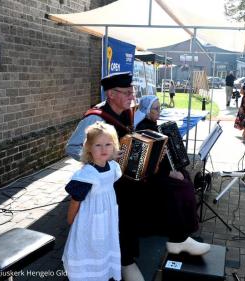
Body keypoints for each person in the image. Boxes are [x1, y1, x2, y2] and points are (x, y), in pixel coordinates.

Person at [65, 72, 207, 281]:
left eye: (133, 92)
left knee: (168, 188)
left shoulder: (126, 113)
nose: (132, 97)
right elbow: (72, 147)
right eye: (127, 93)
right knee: (130, 205)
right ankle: (125, 261)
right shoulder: (96, 117)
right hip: (105, 180)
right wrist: (102, 158)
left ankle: (178, 237)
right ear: (111, 94)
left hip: (124, 175)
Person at [133, 95, 209, 255]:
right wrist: (170, 173)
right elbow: (148, 163)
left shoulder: (152, 125)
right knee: (182, 186)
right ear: (147, 111)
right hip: (149, 177)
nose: (159, 111)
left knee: (185, 177)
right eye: (156, 109)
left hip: (157, 171)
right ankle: (179, 237)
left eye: (160, 108)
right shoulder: (144, 129)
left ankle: (183, 232)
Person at [63, 122, 122, 281]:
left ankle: (101, 272)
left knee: (104, 245)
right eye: (98, 145)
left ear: (114, 146)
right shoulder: (87, 175)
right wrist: (70, 220)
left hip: (107, 218)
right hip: (89, 221)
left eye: (108, 144)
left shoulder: (113, 167)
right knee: (89, 247)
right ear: (88, 147)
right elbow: (75, 201)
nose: (104, 149)